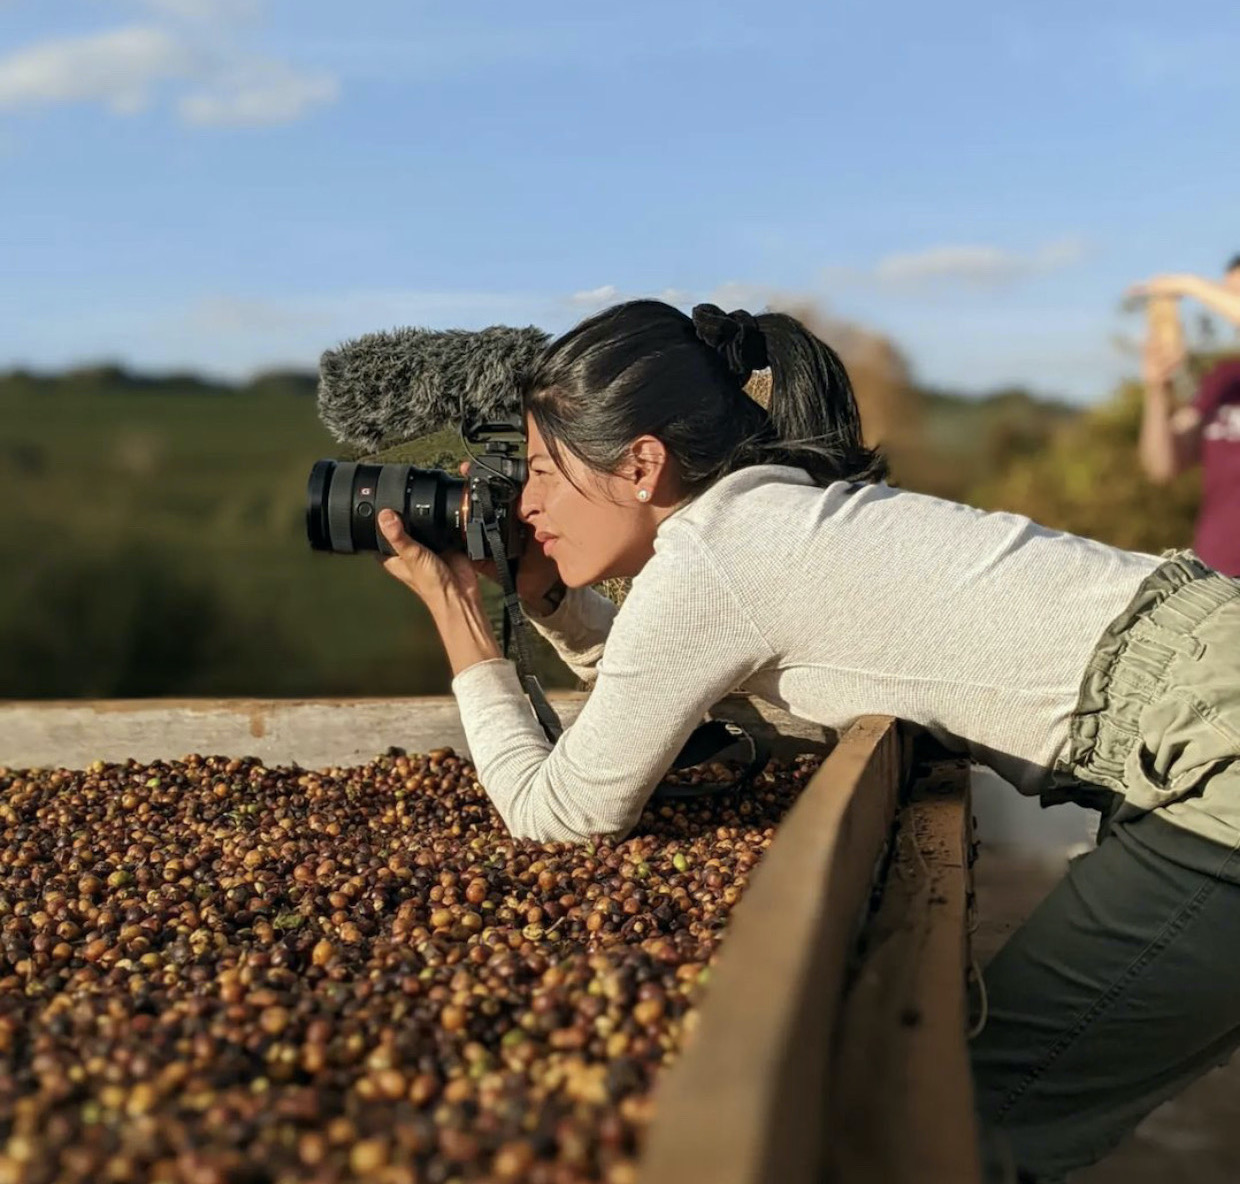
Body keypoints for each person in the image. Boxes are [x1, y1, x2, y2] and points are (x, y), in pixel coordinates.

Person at [375, 299, 1240, 1182]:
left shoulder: (715, 558)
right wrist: (548, 597)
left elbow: (560, 812)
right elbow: (665, 687)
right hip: (1203, 692)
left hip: (1217, 757)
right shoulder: (760, 516)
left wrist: (458, 613)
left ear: (641, 465)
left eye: (542, 473)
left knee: (961, 1127)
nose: (523, 503)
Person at [1134, 255, 1240, 576]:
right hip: (1219, 575)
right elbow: (1161, 467)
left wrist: (1185, 284)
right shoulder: (1224, 379)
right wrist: (1157, 390)